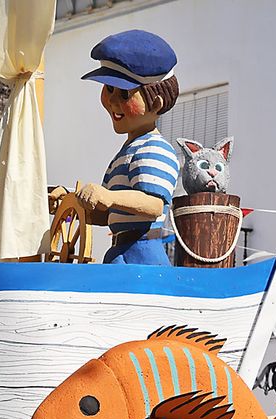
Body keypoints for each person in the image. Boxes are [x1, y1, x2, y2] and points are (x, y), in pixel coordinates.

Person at [51, 31, 182, 266]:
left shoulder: (155, 149)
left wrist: (108, 196)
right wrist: (71, 202)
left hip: (142, 256)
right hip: (119, 254)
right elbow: (105, 215)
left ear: (156, 103)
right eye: (109, 89)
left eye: (123, 93)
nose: (112, 101)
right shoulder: (125, 154)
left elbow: (153, 205)